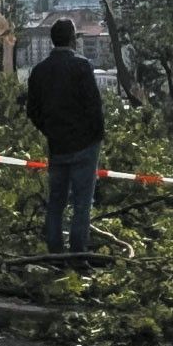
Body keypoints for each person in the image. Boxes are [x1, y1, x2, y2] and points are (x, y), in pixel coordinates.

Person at [25, 17, 105, 256]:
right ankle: (78, 255)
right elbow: (94, 106)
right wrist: (97, 136)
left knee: (56, 203)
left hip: (57, 146)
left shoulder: (39, 71)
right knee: (82, 204)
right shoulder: (82, 67)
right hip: (84, 145)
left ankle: (55, 254)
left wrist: (49, 130)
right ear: (73, 39)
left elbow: (33, 111)